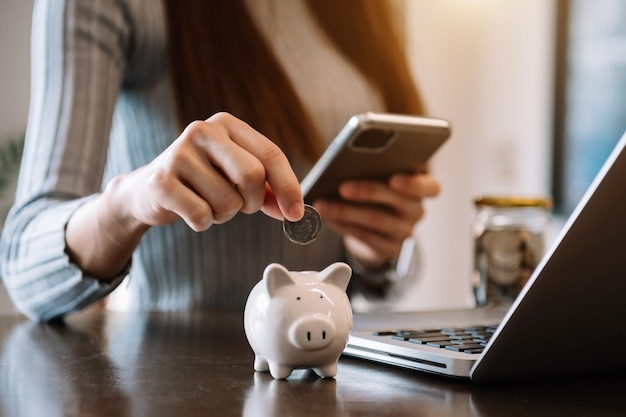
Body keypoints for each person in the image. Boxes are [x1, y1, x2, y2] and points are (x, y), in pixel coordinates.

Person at [0, 0, 441, 322]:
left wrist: (378, 255)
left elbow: (367, 280)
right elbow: (24, 267)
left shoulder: (371, 9)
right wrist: (126, 204)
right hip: (176, 383)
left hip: (324, 372)